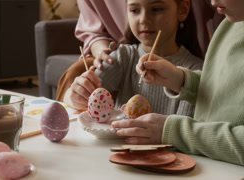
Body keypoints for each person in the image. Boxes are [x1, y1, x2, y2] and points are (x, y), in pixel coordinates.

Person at [112, 0, 244, 166]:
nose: (212, 1)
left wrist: (174, 131)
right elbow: (226, 92)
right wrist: (181, 80)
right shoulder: (231, 23)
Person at [64, 0, 203, 118]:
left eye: (156, 9)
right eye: (135, 10)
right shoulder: (123, 57)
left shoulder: (195, 72)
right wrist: (75, 95)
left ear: (183, 10)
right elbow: (81, 97)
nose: (143, 19)